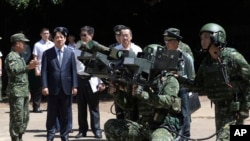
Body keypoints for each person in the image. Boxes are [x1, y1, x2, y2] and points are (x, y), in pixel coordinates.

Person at [178, 23, 250, 140]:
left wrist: (245, 107)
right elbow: (198, 86)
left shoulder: (233, 57)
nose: (203, 41)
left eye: (206, 37)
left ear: (217, 37)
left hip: (235, 111)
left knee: (224, 138)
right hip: (220, 109)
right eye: (201, 38)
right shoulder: (206, 62)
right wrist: (178, 79)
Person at [104, 68, 181, 140]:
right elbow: (128, 105)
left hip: (162, 127)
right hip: (143, 127)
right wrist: (116, 93)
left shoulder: (169, 80)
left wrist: (144, 95)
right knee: (110, 126)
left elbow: (168, 101)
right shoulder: (139, 80)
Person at [41, 26, 78, 141]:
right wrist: (45, 86)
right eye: (57, 37)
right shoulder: (47, 53)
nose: (59, 39)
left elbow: (73, 71)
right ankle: (50, 135)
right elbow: (44, 71)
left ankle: (64, 135)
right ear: (53, 39)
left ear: (65, 39)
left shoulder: (70, 53)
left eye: (62, 37)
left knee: (66, 114)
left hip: (66, 88)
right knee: (51, 114)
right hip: (52, 88)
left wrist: (75, 85)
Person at [163, 28, 195, 141]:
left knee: (185, 115)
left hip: (182, 90)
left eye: (169, 40)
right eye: (165, 40)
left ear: (176, 42)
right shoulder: (162, 56)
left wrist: (180, 78)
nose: (166, 43)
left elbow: (192, 78)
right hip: (166, 91)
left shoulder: (186, 57)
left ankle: (185, 137)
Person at [5, 33, 38, 141]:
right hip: (16, 93)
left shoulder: (19, 56)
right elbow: (14, 71)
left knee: (24, 118)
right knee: (17, 119)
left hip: (22, 92)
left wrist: (27, 91)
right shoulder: (11, 56)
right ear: (17, 43)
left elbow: (23, 76)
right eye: (23, 42)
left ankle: (20, 138)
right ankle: (15, 139)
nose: (25, 45)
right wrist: (29, 67)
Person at [74, 25, 106, 139]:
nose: (82, 37)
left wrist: (102, 82)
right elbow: (73, 67)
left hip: (92, 79)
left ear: (91, 36)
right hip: (80, 80)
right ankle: (82, 130)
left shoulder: (96, 48)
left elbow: (102, 67)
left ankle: (97, 130)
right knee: (81, 107)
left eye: (85, 35)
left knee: (94, 107)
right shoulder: (76, 48)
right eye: (81, 35)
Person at [32, 27, 55, 113]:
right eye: (44, 33)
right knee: (39, 89)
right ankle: (36, 106)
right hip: (41, 68)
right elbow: (35, 57)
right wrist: (36, 69)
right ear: (41, 34)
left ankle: (50, 106)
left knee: (51, 88)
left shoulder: (52, 44)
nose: (46, 35)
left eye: (48, 33)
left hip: (51, 69)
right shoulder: (37, 44)